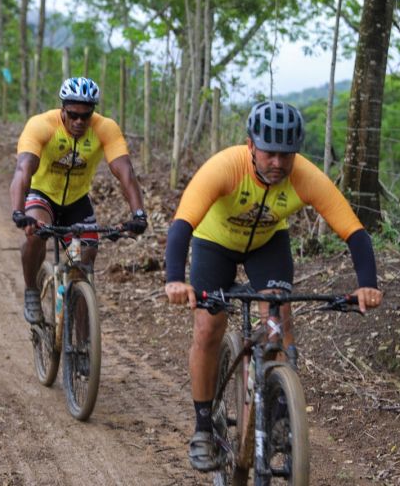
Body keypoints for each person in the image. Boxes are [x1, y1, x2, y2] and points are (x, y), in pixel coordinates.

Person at [164, 100, 383, 472]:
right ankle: (203, 427)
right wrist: (174, 281)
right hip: (214, 242)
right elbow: (182, 225)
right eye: (269, 153)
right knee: (207, 326)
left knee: (279, 317)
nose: (279, 163)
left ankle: (281, 415)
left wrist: (367, 285)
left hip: (267, 244)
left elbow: (355, 232)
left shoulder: (304, 176)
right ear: (251, 145)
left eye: (287, 155)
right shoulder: (224, 167)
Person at [10, 77, 148, 324]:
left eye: (86, 116)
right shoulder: (41, 125)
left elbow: (125, 172)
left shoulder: (105, 128)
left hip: (76, 201)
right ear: (62, 108)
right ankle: (31, 289)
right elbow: (23, 170)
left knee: (84, 265)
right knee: (36, 233)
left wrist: (138, 214)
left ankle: (83, 348)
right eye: (73, 114)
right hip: (43, 195)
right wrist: (19, 213)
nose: (79, 122)